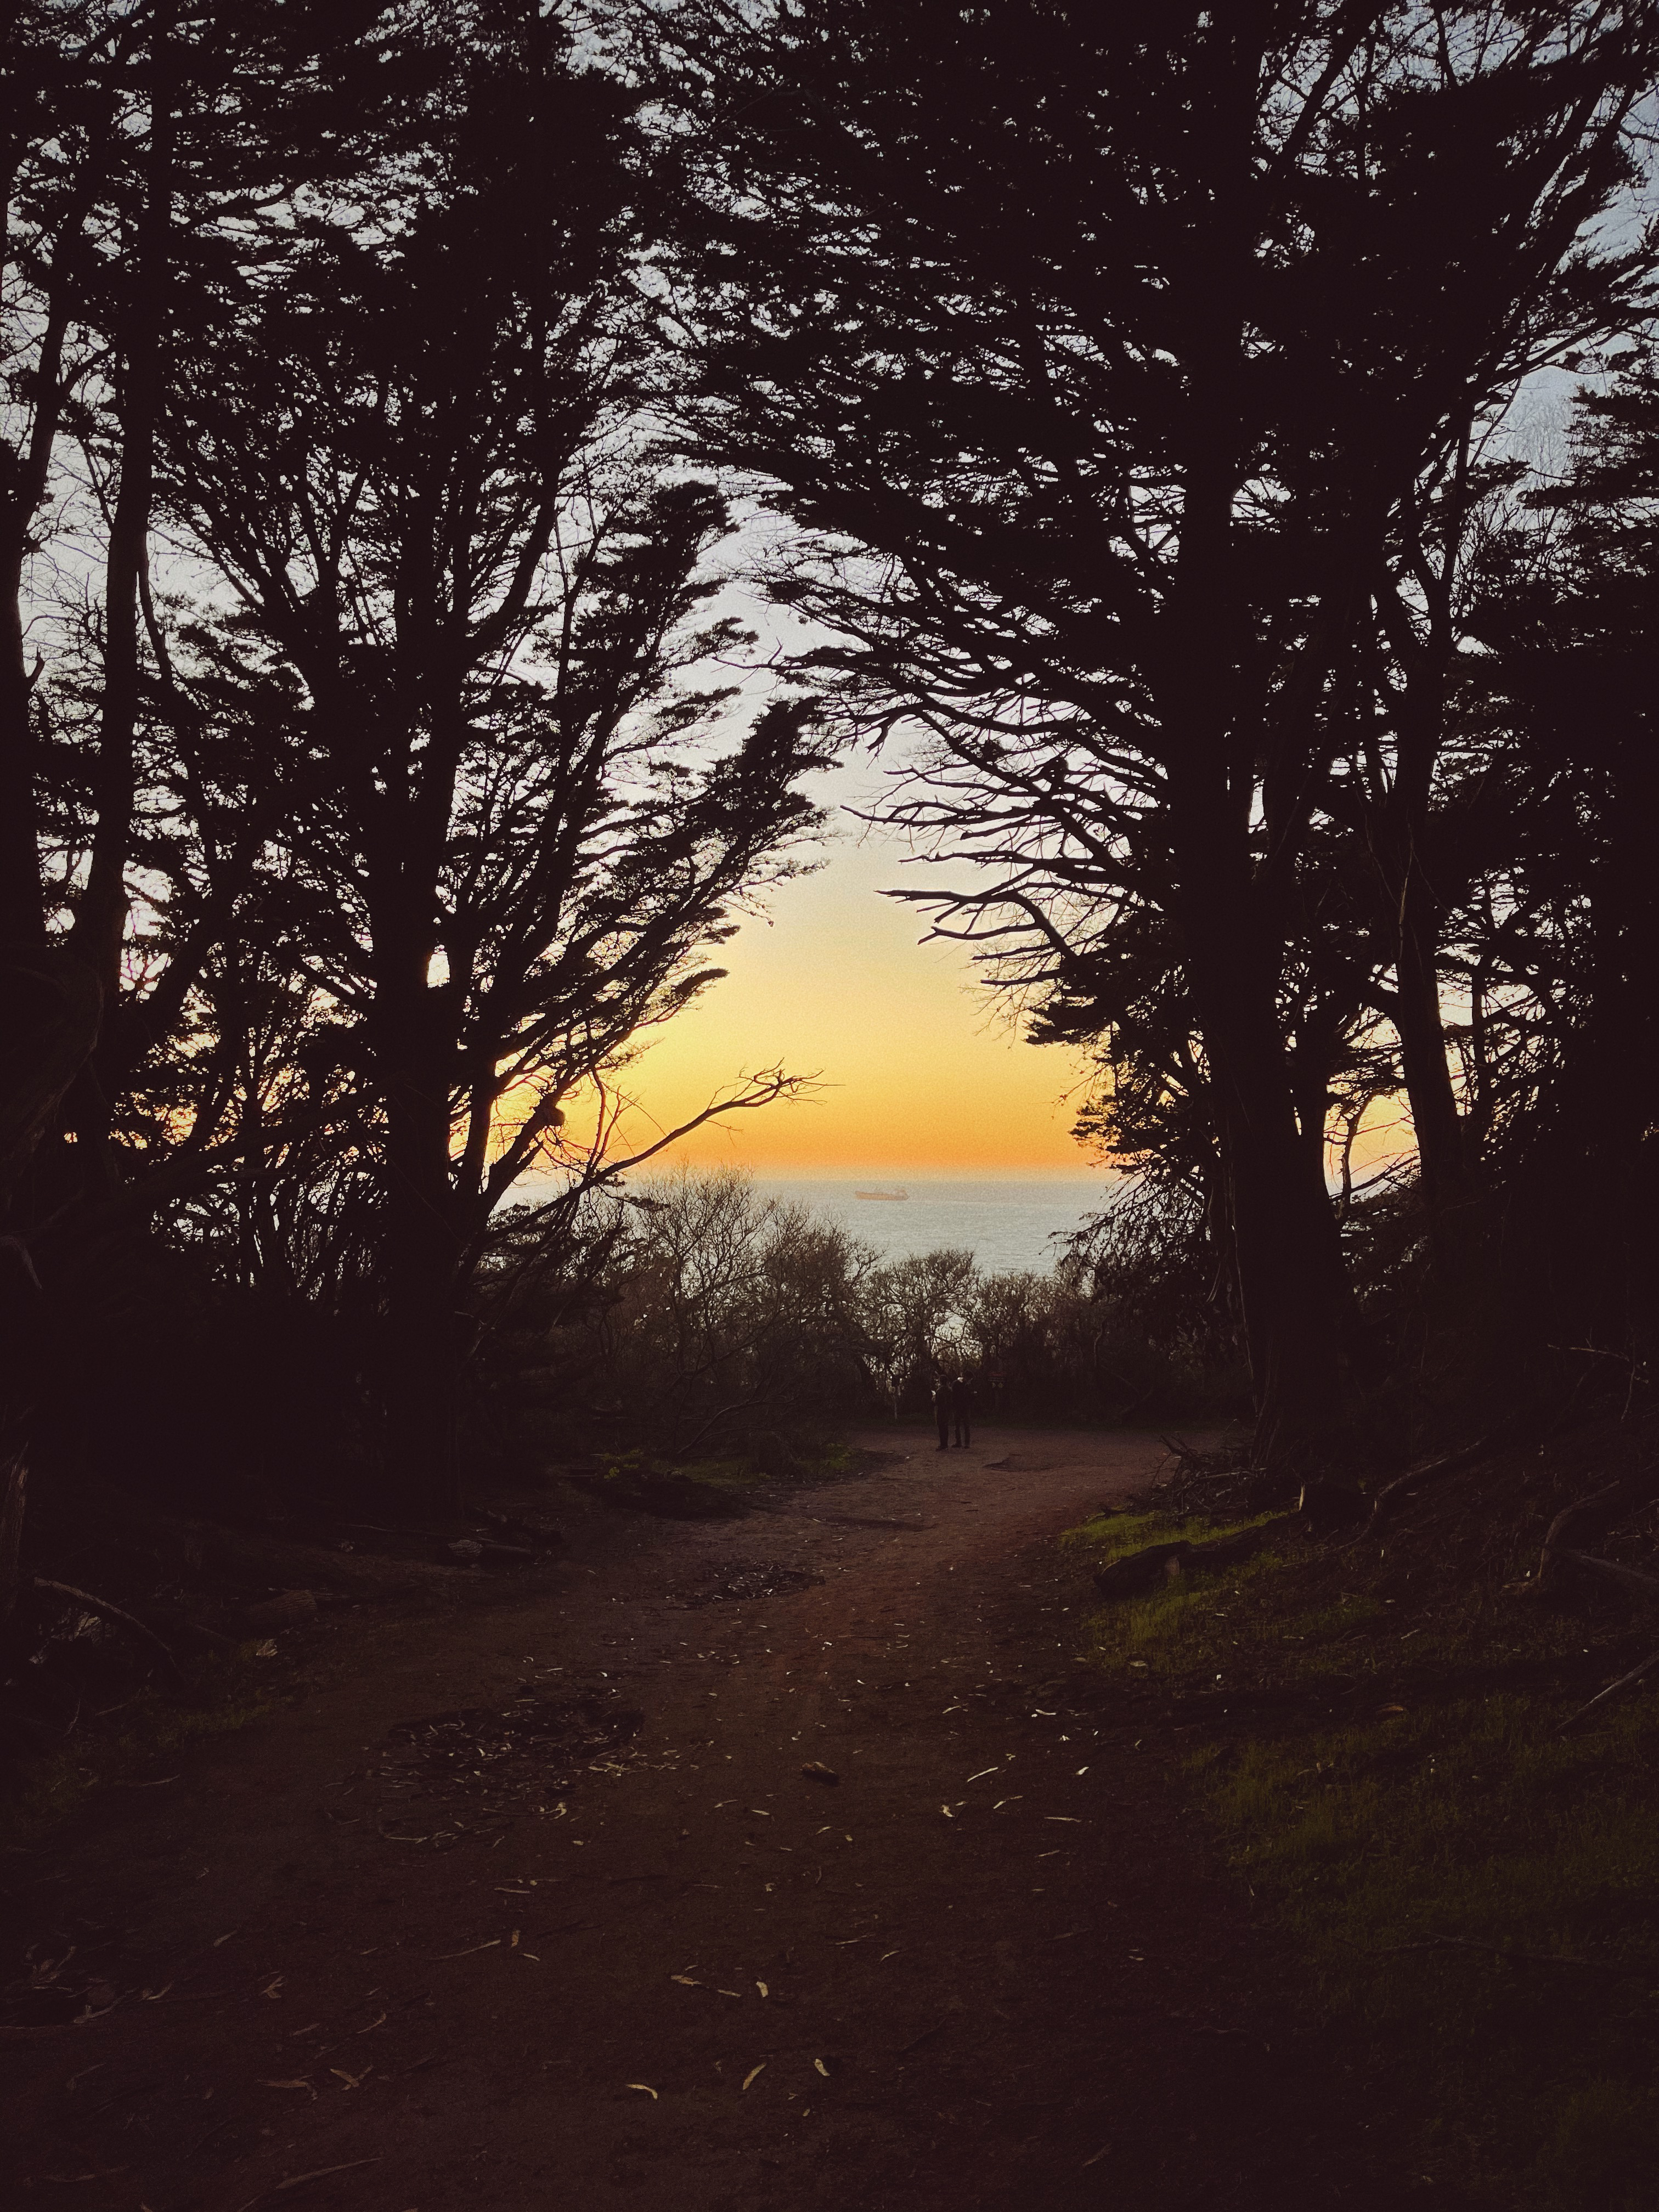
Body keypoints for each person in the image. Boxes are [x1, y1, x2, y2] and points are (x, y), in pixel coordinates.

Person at [950, 1372, 973, 1449]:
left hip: (962, 1407)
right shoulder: (959, 1384)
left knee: (963, 1425)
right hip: (960, 1407)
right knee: (960, 1425)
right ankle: (961, 1442)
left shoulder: (962, 1384)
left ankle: (963, 1443)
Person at [932, 1375, 951, 1451]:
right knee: (945, 1427)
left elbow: (937, 1402)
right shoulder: (949, 1390)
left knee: (941, 1428)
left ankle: (943, 1444)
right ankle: (945, 1443)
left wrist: (933, 1399)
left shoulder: (939, 1391)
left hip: (941, 1410)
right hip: (947, 1410)